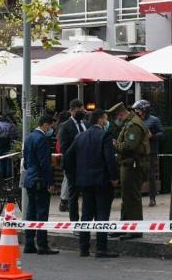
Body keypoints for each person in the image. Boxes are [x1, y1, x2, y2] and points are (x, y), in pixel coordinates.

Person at [64, 109, 120, 258]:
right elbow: (110, 159)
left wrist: (75, 176)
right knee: (102, 215)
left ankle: (84, 248)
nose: (106, 122)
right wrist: (114, 177)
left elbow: (67, 157)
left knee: (86, 215)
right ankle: (101, 248)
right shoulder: (105, 135)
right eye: (106, 119)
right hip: (102, 182)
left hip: (84, 182)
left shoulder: (80, 136)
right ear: (101, 120)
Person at [21, 115, 59, 255]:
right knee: (42, 212)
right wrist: (50, 182)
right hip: (40, 180)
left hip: (30, 179)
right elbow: (45, 164)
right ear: (45, 125)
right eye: (50, 126)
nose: (51, 129)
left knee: (31, 212)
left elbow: (25, 161)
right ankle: (42, 245)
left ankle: (29, 243)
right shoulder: (42, 139)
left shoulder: (29, 137)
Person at [113, 103, 150, 240]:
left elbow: (130, 147)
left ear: (121, 114)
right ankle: (124, 227)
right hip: (128, 164)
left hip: (133, 165)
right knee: (126, 197)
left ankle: (135, 230)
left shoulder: (133, 125)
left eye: (118, 116)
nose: (118, 119)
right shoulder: (130, 123)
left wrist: (115, 145)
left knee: (133, 197)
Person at [57, 99, 87, 216]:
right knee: (73, 195)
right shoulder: (65, 126)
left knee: (87, 195)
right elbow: (65, 149)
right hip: (72, 166)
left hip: (86, 166)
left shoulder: (86, 124)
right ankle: (74, 222)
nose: (81, 112)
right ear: (71, 111)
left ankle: (85, 222)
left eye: (82, 110)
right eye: (77, 111)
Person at [133, 100, 163, 207]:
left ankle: (152, 198)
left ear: (144, 110)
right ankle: (136, 198)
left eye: (138, 110)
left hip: (150, 152)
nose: (137, 112)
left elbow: (162, 133)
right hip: (138, 151)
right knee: (137, 175)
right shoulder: (136, 120)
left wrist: (152, 136)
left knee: (150, 175)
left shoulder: (154, 120)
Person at [0, 113, 18, 177]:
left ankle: (1, 179)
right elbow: (14, 136)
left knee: (0, 163)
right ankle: (9, 179)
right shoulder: (12, 126)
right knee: (9, 163)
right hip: (9, 146)